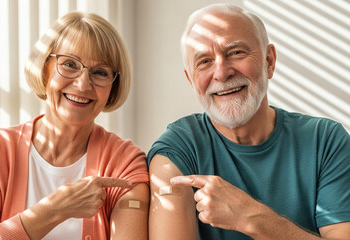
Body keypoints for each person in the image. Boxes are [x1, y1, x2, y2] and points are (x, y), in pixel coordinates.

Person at [147, 3, 350, 240]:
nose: (222, 73)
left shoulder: (326, 141)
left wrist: (251, 217)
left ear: (269, 61)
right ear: (191, 79)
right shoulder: (176, 152)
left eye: (236, 52)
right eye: (204, 61)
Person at [0, 12, 149, 240]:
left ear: (114, 86)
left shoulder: (125, 162)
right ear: (44, 69)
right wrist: (54, 209)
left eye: (100, 72)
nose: (83, 84)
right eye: (70, 64)